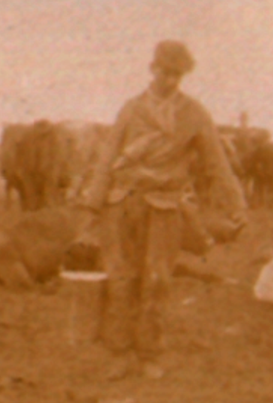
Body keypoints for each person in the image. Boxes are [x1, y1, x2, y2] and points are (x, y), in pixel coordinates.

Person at [76, 40, 247, 381]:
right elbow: (109, 155)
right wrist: (92, 207)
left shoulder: (194, 114)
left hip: (166, 206)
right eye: (164, 72)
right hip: (122, 204)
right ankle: (119, 353)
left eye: (177, 75)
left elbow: (216, 161)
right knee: (120, 278)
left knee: (157, 280)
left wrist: (236, 204)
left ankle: (148, 353)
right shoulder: (131, 109)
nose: (169, 80)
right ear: (152, 68)